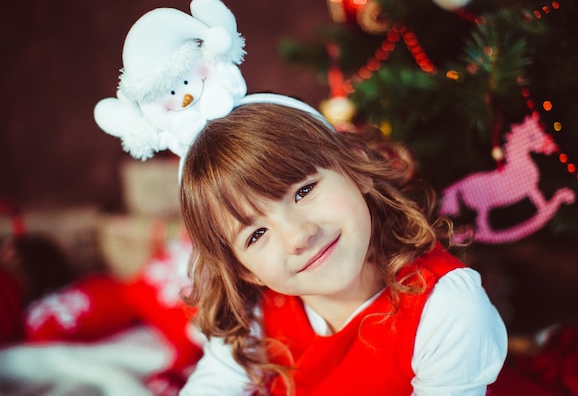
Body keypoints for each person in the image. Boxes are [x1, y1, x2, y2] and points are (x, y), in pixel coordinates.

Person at [178, 93, 507, 396]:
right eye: (256, 235)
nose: (298, 236)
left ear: (355, 168)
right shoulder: (256, 316)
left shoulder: (447, 309)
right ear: (244, 271)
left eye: (304, 191)